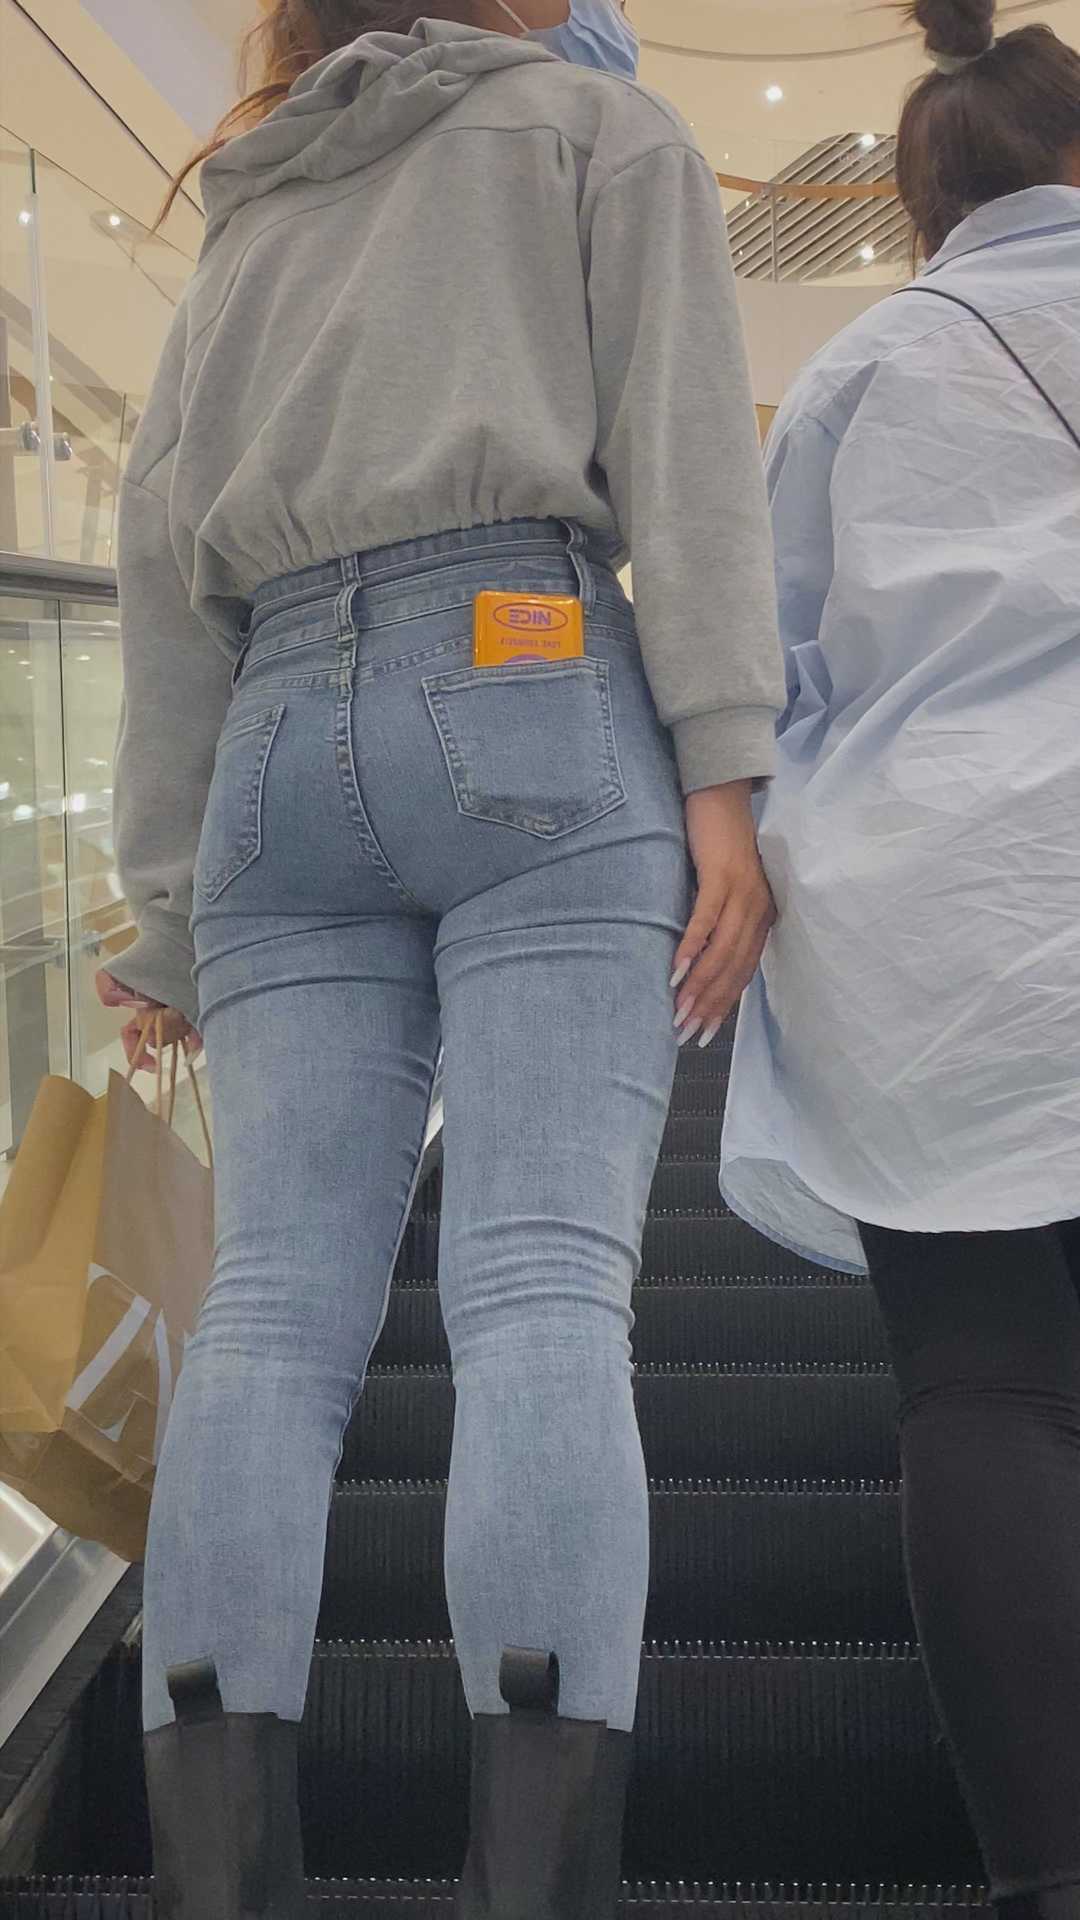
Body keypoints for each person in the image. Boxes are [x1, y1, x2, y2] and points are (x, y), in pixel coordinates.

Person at [97, 2, 784, 1913]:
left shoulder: (252, 205)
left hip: (271, 736)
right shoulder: (590, 129)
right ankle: (533, 1887)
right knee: (541, 1290)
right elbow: (683, 450)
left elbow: (156, 561)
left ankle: (220, 1882)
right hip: (527, 674)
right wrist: (725, 772)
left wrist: (166, 904)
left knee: (268, 1314)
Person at [716, 0, 1080, 1911]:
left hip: (942, 927)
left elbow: (765, 669)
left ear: (924, 209)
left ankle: (1046, 1873)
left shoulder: (863, 365)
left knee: (984, 1386)